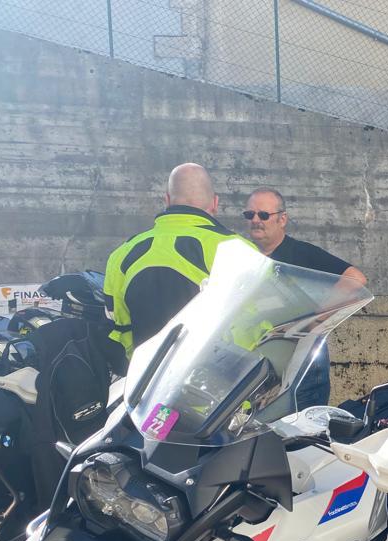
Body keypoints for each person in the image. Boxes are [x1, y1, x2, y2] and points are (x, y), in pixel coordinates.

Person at [103, 163, 253, 358]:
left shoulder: (122, 254)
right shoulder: (238, 250)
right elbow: (255, 326)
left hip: (145, 374)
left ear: (167, 200)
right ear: (215, 203)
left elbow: (120, 331)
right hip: (218, 373)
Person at [244, 187, 367, 407]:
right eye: (249, 214)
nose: (255, 220)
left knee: (300, 426)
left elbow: (355, 279)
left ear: (282, 219)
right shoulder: (246, 257)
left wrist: (316, 319)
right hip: (260, 363)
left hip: (302, 363)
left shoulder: (302, 253)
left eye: (263, 215)